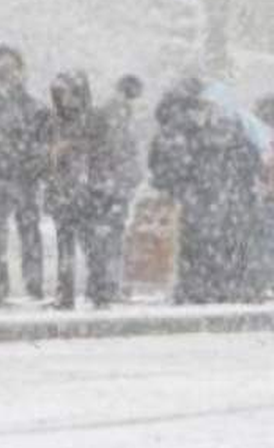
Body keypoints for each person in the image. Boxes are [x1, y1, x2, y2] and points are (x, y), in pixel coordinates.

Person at [149, 80, 262, 303]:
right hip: (215, 195)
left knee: (200, 244)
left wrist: (176, 185)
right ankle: (217, 287)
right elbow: (249, 162)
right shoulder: (219, 132)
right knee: (215, 243)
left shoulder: (186, 131)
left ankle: (199, 288)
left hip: (203, 195)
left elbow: (165, 164)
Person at [0, 45, 47, 305]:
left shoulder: (32, 106)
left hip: (23, 177)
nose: (8, 74)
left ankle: (33, 285)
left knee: (29, 231)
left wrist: (33, 163)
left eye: (12, 68)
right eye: (2, 69)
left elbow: (41, 141)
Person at [43, 70, 118, 309]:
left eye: (70, 93)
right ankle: (65, 293)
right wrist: (52, 156)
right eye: (61, 94)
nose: (66, 99)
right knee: (65, 246)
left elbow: (106, 153)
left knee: (93, 245)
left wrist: (73, 147)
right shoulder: (52, 122)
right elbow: (42, 157)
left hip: (89, 192)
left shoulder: (96, 119)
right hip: (62, 191)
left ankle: (99, 292)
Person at [96, 74, 145, 298]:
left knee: (110, 233)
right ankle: (110, 283)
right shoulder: (118, 112)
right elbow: (119, 149)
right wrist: (130, 175)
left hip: (113, 183)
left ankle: (108, 282)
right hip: (114, 185)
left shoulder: (114, 110)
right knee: (113, 233)